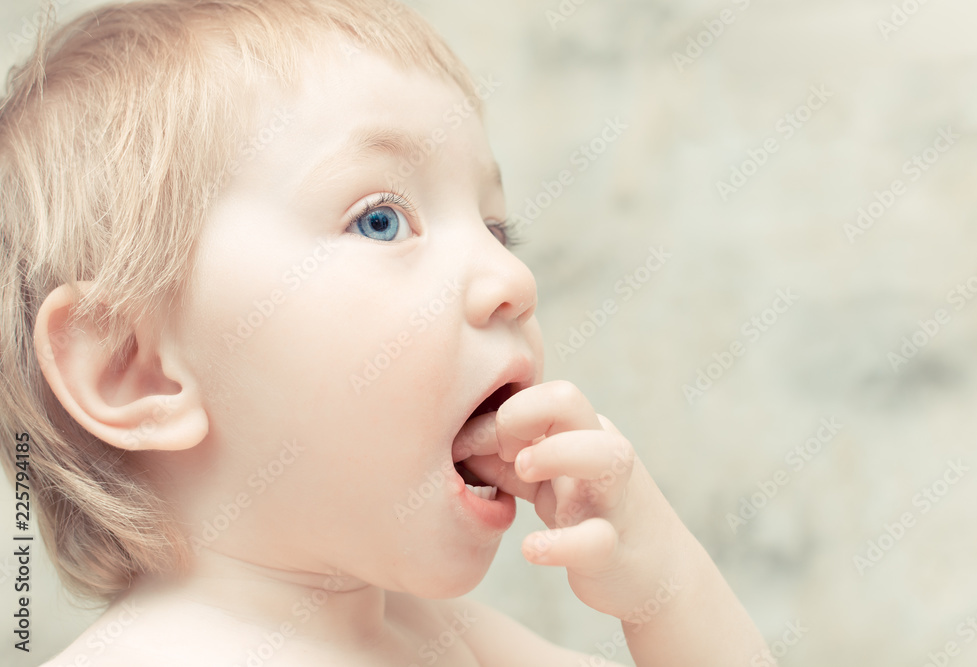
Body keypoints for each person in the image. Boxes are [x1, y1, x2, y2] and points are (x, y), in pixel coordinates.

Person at [0, 1, 769, 664]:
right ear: (133, 370)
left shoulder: (456, 643)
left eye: (499, 229)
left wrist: (667, 587)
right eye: (381, 219)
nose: (512, 281)